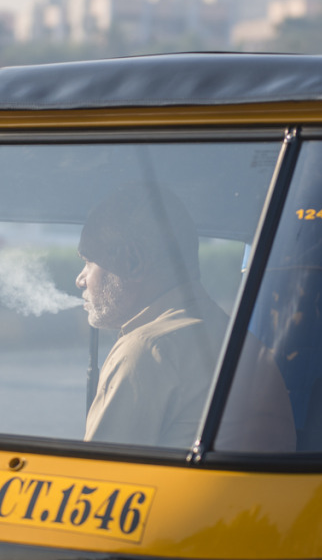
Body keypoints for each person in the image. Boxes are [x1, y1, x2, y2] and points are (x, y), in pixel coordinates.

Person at [76, 183, 295, 452]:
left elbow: (99, 481)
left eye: (88, 261)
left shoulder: (146, 349)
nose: (81, 279)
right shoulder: (232, 336)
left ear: (133, 262)